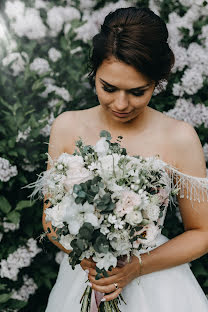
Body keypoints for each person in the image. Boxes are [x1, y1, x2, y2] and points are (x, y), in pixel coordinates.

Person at [42, 7, 208, 311]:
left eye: (137, 91)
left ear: (157, 82)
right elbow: (51, 217)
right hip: (85, 276)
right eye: (108, 87)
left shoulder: (180, 137)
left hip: (156, 283)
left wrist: (136, 266)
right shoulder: (67, 126)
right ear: (94, 73)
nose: (121, 103)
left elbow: (203, 232)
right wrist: (92, 258)